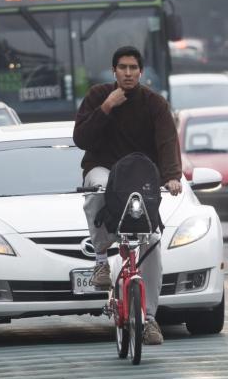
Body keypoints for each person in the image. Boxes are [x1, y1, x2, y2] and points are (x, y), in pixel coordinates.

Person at [74, 46, 182, 346]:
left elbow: (167, 142)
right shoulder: (98, 96)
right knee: (95, 188)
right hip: (104, 170)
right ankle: (100, 261)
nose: (128, 72)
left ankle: (148, 319)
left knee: (153, 241)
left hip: (141, 177)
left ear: (141, 71)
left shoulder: (155, 103)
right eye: (122, 67)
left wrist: (172, 176)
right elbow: (80, 138)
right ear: (114, 71)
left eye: (133, 67)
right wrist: (107, 107)